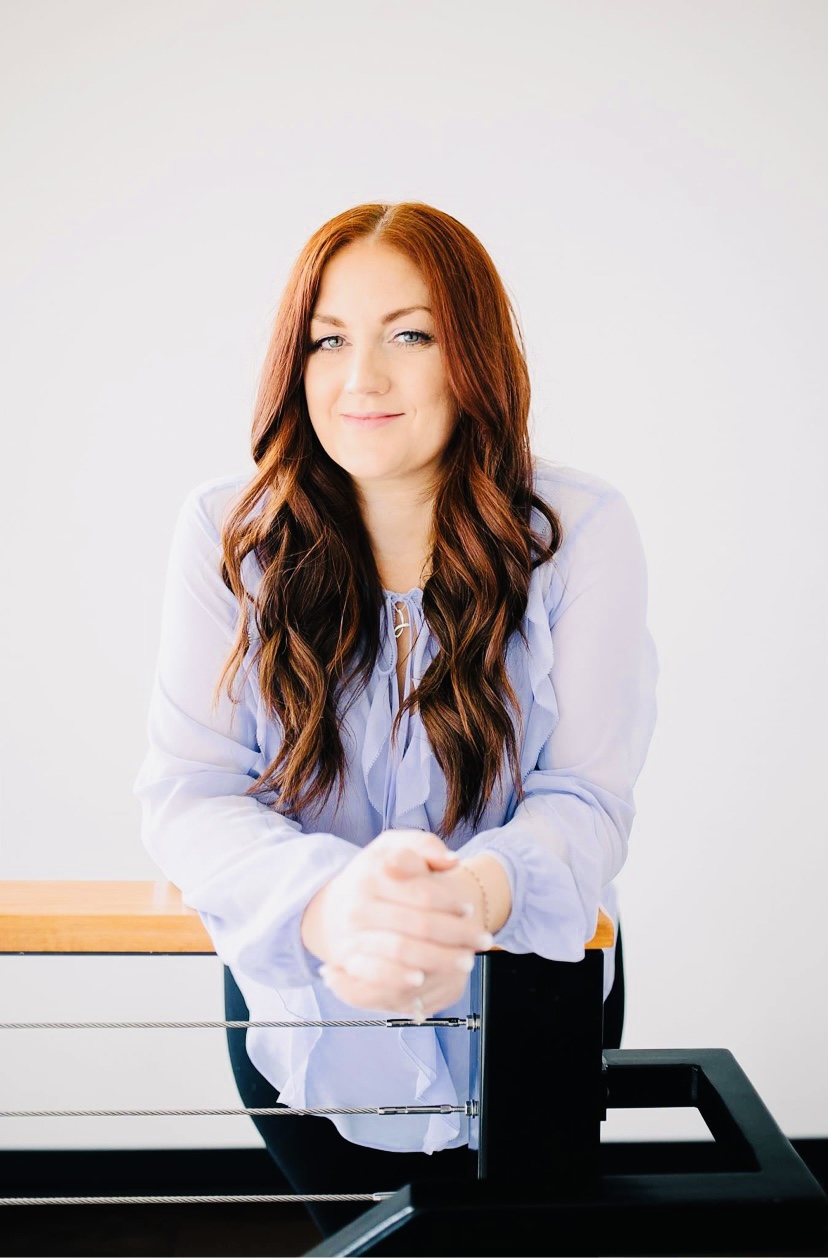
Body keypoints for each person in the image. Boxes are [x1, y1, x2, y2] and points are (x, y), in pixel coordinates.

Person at [134, 201, 658, 1236]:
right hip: (303, 1003)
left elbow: (586, 798)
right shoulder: (228, 533)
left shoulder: (580, 530)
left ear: (473, 356)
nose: (360, 379)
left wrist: (468, 896)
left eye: (409, 335)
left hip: (531, 992)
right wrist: (335, 904)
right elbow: (190, 795)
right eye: (328, 340)